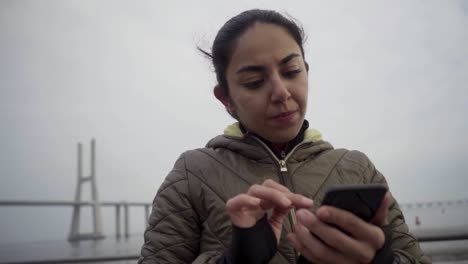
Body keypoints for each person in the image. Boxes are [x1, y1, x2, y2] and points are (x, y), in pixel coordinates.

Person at [139, 9, 430, 264]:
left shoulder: (356, 168)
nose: (281, 92)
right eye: (255, 82)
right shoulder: (192, 173)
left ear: (306, 71)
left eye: (291, 71)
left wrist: (382, 260)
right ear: (225, 98)